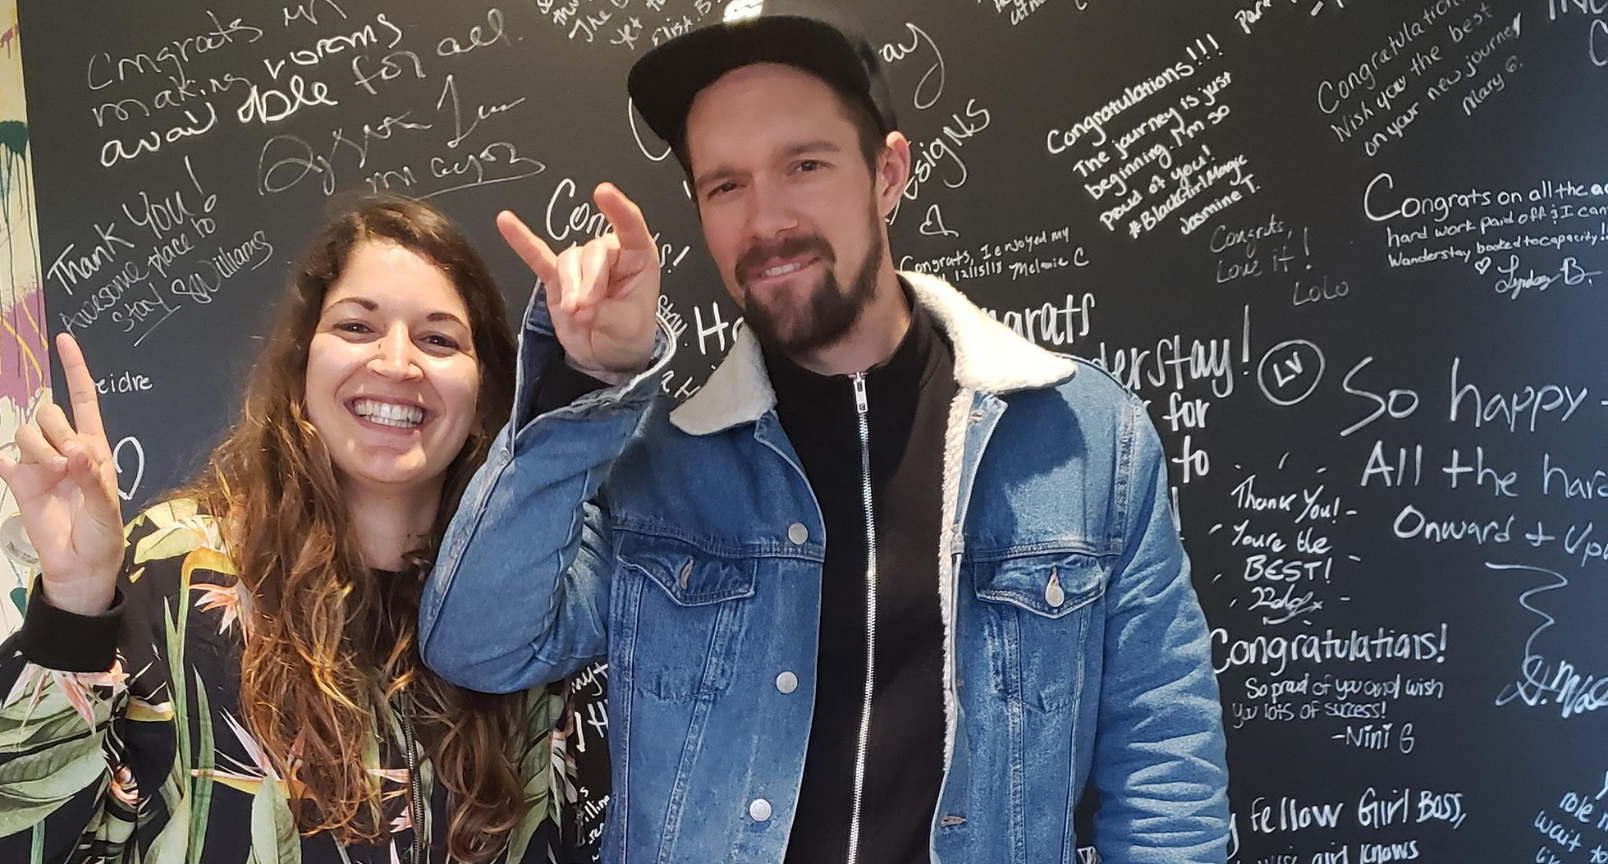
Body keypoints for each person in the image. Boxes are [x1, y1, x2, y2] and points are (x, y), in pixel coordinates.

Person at [417, 9, 1228, 864]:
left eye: (804, 164)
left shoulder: (1086, 441)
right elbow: (481, 643)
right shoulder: (657, 464)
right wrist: (587, 385)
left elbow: (1164, 767)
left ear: (887, 172)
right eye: (725, 185)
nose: (766, 221)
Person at [0, 198, 600, 864]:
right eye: (357, 326)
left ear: (485, 388)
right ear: (303, 363)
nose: (397, 363)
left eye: (438, 338)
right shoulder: (176, 573)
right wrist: (73, 610)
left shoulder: (531, 602)